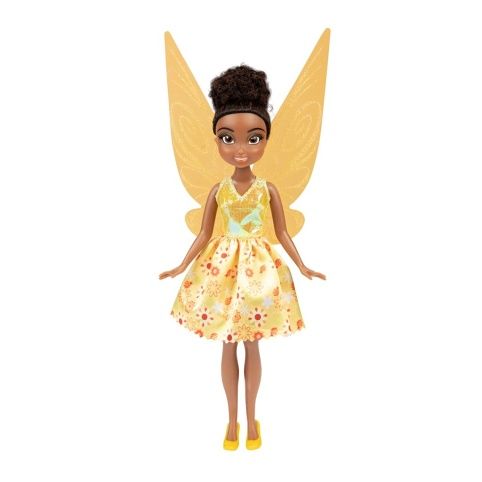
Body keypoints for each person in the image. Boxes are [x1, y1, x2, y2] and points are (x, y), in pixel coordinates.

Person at [159, 64, 326, 450]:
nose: (240, 149)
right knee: (227, 343)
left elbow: (282, 232)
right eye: (227, 138)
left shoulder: (268, 189)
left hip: (259, 276)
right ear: (217, 140)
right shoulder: (218, 190)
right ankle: (231, 421)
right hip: (221, 272)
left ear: (265, 139)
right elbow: (204, 233)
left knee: (251, 344)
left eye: (253, 138)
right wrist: (181, 266)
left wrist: (302, 266)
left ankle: (252, 420)